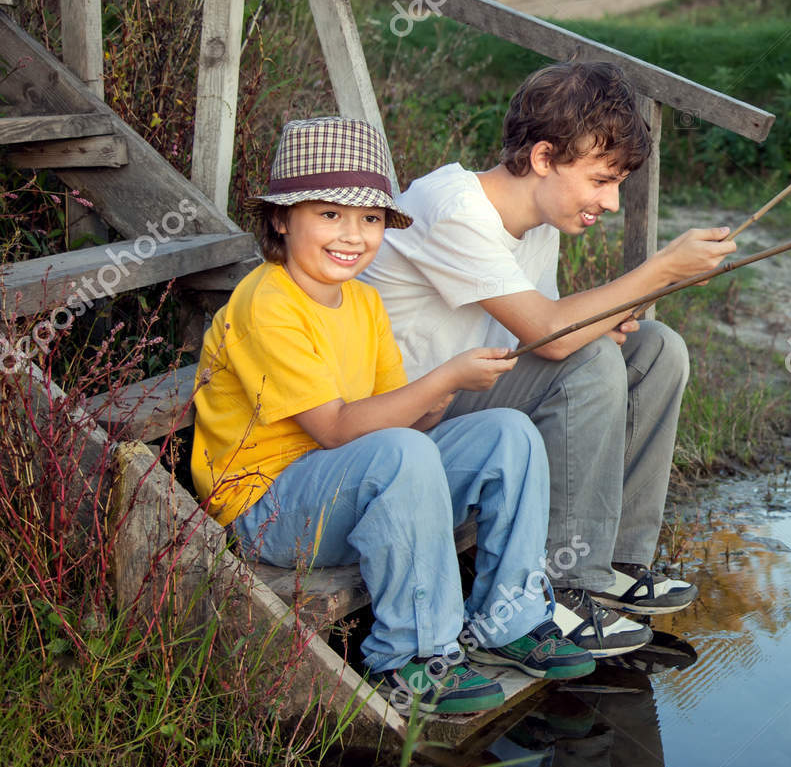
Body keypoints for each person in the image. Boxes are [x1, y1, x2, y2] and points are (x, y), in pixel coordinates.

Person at [190, 116, 594, 715]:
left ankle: (509, 620)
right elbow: (334, 429)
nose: (352, 235)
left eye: (371, 219)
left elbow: (402, 425)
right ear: (281, 218)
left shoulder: (363, 299)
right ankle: (410, 657)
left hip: (344, 482)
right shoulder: (267, 301)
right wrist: (445, 377)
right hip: (268, 506)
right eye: (329, 215)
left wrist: (440, 399)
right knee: (399, 454)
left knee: (508, 433)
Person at [359, 62, 734, 655]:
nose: (611, 203)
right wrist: (662, 271)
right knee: (588, 361)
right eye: (601, 180)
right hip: (405, 420)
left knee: (657, 349)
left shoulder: (540, 221)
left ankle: (614, 562)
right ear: (542, 158)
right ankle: (559, 588)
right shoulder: (452, 205)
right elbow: (554, 338)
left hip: (474, 389)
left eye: (618, 183)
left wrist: (598, 332)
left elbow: (550, 332)